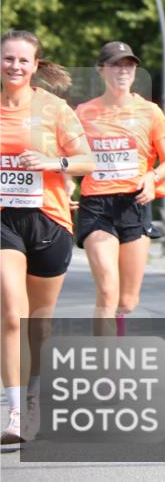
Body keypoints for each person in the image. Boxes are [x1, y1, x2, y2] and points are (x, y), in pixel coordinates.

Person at [1, 30, 95, 444]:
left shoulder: (54, 108)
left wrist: (51, 162)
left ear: (36, 65)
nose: (15, 66)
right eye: (8, 59)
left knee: (39, 324)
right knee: (9, 315)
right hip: (5, 219)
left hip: (49, 220)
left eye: (23, 60)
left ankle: (35, 396)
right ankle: (15, 412)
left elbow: (87, 161)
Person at [75, 41, 165, 337]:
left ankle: (117, 335)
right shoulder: (83, 113)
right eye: (116, 64)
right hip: (96, 206)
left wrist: (151, 177)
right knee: (107, 289)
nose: (123, 70)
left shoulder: (150, 112)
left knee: (127, 301)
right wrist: (65, 189)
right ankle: (106, 370)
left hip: (135, 204)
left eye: (129, 65)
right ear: (101, 70)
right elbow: (70, 158)